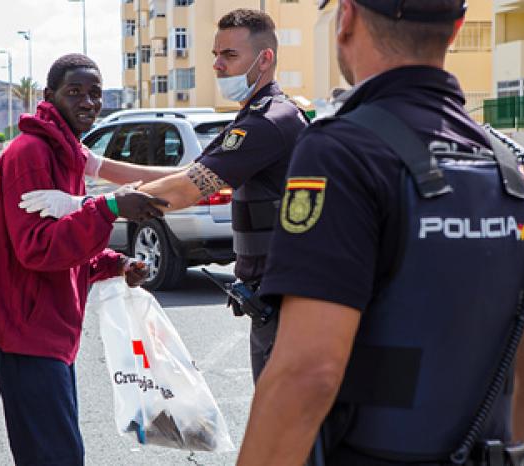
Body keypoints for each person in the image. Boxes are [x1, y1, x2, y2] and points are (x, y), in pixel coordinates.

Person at [236, 1, 524, 465]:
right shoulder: (512, 170)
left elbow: (307, 374)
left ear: (347, 19)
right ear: (457, 28)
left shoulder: (340, 153)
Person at [21, 9, 309, 383]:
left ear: (265, 58)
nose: (217, 65)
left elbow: (186, 190)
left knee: (283, 428)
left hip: (286, 301)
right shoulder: (257, 116)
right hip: (274, 297)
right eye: (215, 55)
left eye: (230, 56)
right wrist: (97, 166)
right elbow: (184, 174)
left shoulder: (267, 122)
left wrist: (88, 206)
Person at [0, 53, 168, 466]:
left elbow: (68, 244)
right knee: (56, 457)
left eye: (95, 93)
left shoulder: (66, 154)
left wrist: (115, 263)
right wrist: (107, 208)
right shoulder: (31, 153)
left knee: (54, 454)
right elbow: (38, 248)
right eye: (75, 92)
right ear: (49, 96)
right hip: (24, 334)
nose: (88, 102)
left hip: (45, 333)